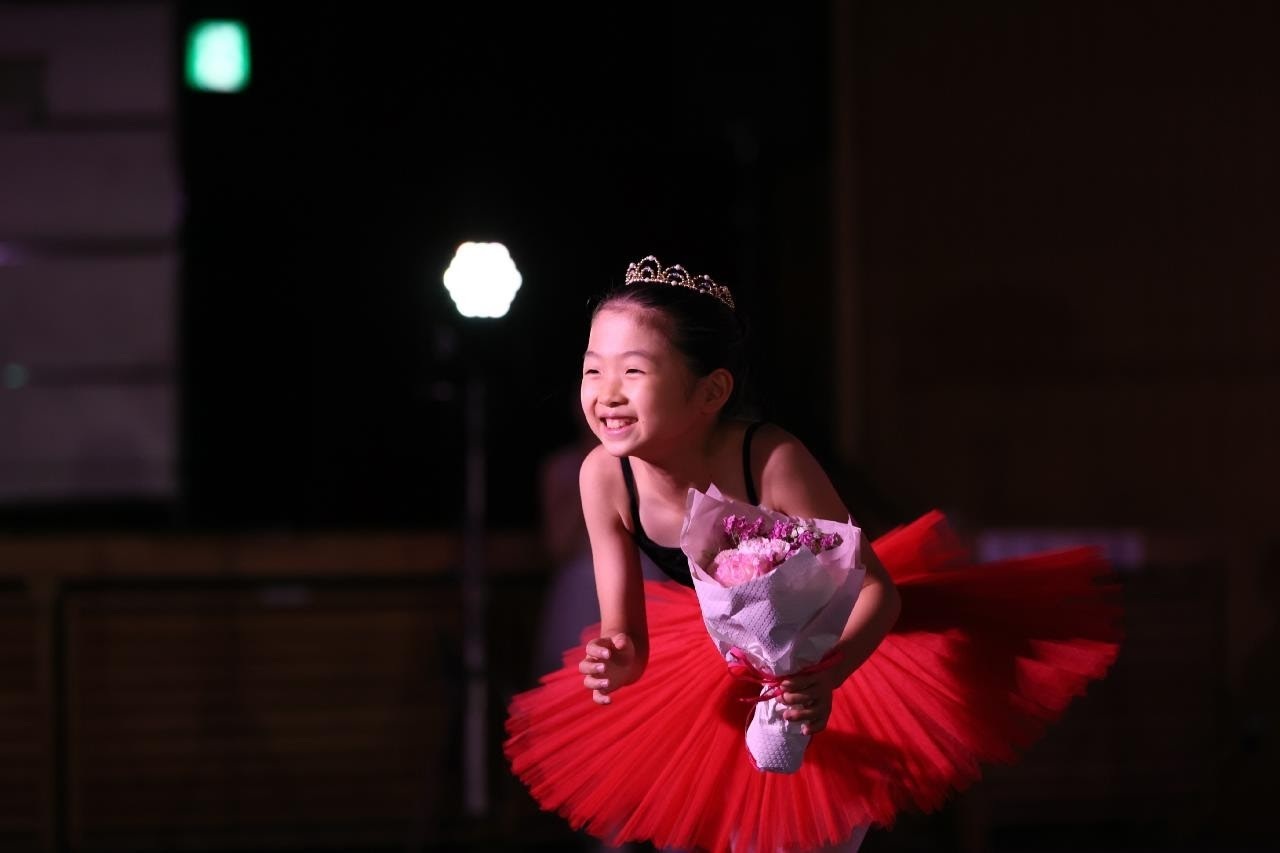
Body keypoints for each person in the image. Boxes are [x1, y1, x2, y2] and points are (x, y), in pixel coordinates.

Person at [505, 256, 1122, 853]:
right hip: (722, 663)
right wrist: (617, 655)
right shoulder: (603, 476)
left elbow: (877, 591)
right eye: (592, 370)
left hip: (833, 653)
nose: (607, 393)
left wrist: (825, 677)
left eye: (634, 371)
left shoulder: (770, 460)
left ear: (710, 391)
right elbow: (626, 634)